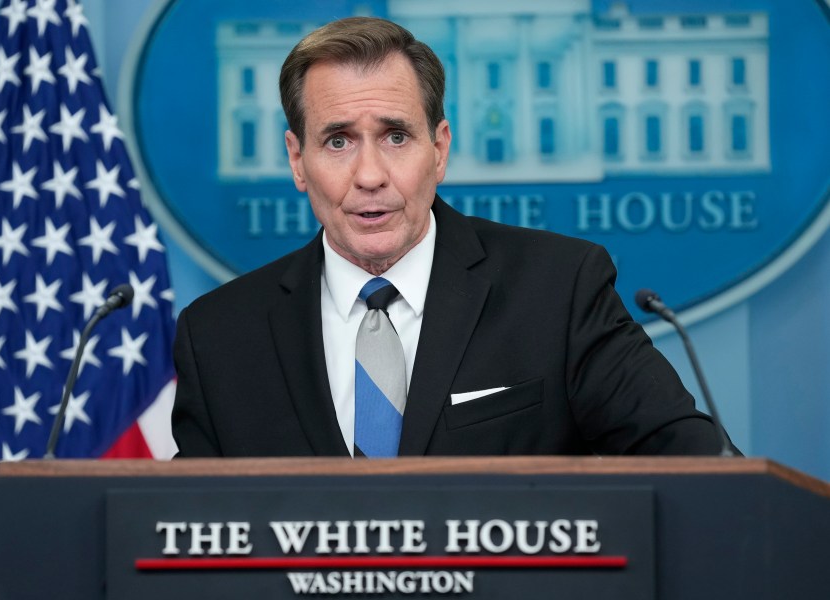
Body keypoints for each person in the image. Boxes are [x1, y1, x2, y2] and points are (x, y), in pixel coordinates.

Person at [171, 17, 734, 458]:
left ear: (439, 149)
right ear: (298, 160)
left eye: (395, 136)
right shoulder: (219, 336)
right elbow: (177, 530)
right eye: (338, 141)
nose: (369, 175)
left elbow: (694, 467)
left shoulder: (559, 292)